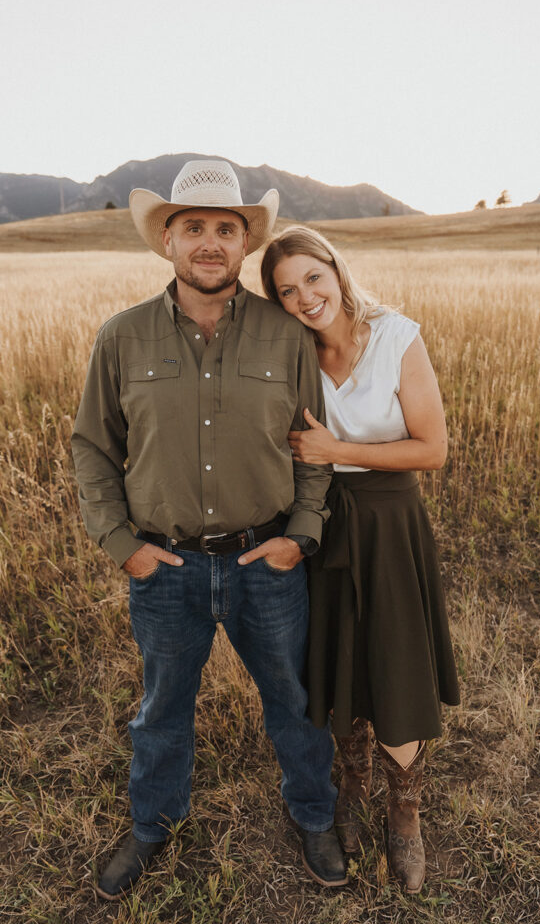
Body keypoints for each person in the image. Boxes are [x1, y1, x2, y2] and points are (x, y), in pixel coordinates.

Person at [71, 162, 347, 901]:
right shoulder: (121, 337)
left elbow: (311, 443)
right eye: (193, 226)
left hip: (268, 561)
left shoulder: (285, 334)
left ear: (244, 244)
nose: (210, 242)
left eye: (226, 229)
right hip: (165, 569)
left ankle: (314, 814)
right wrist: (121, 547)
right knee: (162, 708)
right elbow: (92, 447)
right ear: (167, 239)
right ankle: (152, 824)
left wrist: (302, 534)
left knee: (293, 700)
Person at [260, 226, 460, 895]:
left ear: (336, 270)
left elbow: (430, 450)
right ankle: (353, 783)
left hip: (388, 518)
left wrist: (335, 452)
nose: (304, 297)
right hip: (320, 521)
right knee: (337, 657)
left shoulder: (396, 336)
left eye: (312, 278)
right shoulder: (290, 354)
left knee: (396, 659)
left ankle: (403, 813)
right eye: (286, 291)